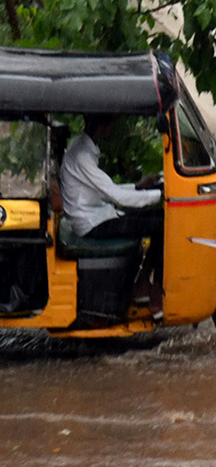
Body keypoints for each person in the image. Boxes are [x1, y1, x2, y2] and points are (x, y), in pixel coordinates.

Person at [60, 114, 164, 317]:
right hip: (93, 223)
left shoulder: (83, 148)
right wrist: (161, 194)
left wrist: (138, 187)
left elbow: (103, 190)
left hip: (98, 214)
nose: (116, 126)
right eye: (114, 122)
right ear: (103, 126)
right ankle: (153, 291)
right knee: (162, 225)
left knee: (158, 216)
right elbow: (116, 196)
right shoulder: (82, 155)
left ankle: (142, 283)